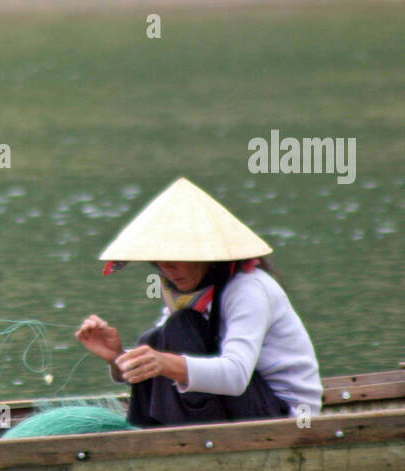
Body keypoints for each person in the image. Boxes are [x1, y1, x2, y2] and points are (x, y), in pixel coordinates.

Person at [75, 177, 321, 427]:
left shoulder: (249, 289)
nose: (168, 268)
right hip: (243, 404)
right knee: (153, 340)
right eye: (159, 260)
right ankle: (148, 433)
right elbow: (163, 366)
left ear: (206, 255)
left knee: (179, 328)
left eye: (177, 257)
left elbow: (235, 376)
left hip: (287, 416)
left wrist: (162, 361)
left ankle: (177, 438)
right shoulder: (185, 290)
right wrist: (117, 358)